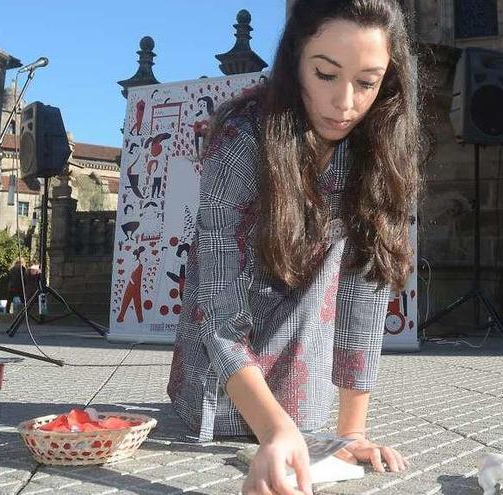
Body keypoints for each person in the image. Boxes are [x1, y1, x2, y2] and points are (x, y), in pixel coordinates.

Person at [166, 1, 426, 493]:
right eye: (326, 74)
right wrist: (273, 429)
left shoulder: (378, 148)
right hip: (215, 389)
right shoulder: (242, 139)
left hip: (303, 394)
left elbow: (364, 293)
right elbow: (216, 302)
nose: (345, 102)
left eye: (367, 82)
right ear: (294, 61)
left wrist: (349, 432)